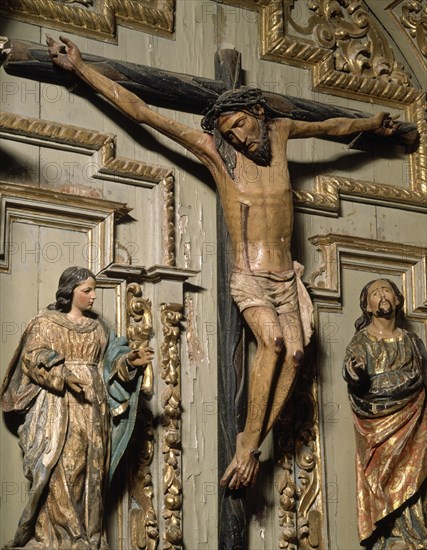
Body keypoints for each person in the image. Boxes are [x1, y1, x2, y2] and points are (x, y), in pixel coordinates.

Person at [46, 35, 399, 490]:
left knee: (294, 352)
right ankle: (247, 449)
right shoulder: (218, 154)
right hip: (250, 276)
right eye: (229, 132)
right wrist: (80, 68)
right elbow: (142, 112)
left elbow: (331, 128)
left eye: (240, 127)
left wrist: (371, 121)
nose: (237, 137)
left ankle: (250, 443)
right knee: (271, 343)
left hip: (287, 277)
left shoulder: (281, 131)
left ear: (257, 116)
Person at [1, 266, 154, 550]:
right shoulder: (46, 323)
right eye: (87, 291)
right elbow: (32, 358)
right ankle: (63, 537)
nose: (93, 296)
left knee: (93, 471)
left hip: (94, 407)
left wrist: (130, 361)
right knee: (65, 470)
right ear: (70, 292)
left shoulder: (98, 328)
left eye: (94, 290)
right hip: (59, 409)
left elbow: (111, 363)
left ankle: (90, 537)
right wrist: (63, 374)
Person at [343, 279, 427, 549]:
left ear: (398, 299)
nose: (382, 295)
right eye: (375, 293)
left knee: (416, 478)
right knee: (382, 478)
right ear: (367, 306)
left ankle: (414, 535)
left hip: (415, 418)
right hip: (377, 423)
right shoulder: (362, 341)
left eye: (387, 290)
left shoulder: (412, 341)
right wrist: (354, 371)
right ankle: (389, 534)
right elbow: (352, 371)